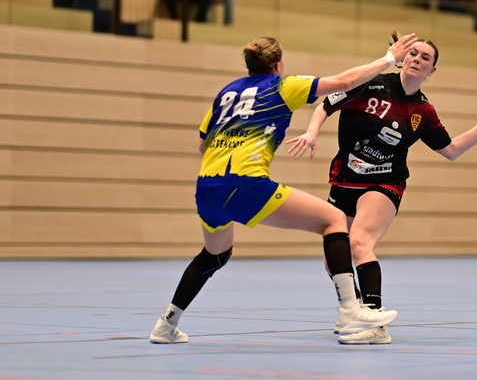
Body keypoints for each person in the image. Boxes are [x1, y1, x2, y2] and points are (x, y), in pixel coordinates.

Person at [149, 32, 420, 344]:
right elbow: (345, 81)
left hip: (208, 187)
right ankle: (350, 310)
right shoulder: (282, 86)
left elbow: (202, 145)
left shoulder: (226, 93)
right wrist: (389, 58)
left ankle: (166, 324)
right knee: (333, 220)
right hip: (245, 183)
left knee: (215, 255)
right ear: (278, 65)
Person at [286, 31, 477, 345]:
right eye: (413, 53)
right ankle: (355, 310)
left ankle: (375, 321)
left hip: (386, 181)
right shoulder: (372, 83)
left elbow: (451, 149)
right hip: (345, 178)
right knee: (332, 257)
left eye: (425, 57)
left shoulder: (423, 112)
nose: (417, 59)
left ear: (432, 70)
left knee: (359, 243)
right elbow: (326, 105)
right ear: (403, 57)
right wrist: (311, 132)